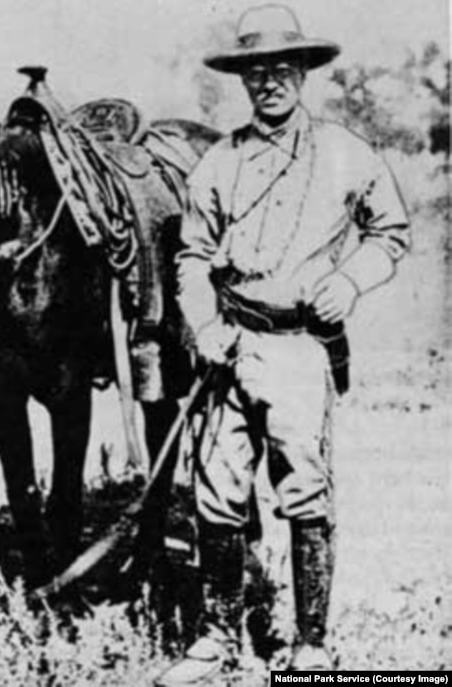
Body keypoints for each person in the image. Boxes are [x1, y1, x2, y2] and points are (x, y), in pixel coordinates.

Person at [155, 4, 410, 684]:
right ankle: (216, 638)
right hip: (230, 342)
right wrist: (204, 326)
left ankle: (312, 643)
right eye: (256, 73)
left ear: (302, 74)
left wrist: (351, 281)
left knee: (305, 490)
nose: (269, 83)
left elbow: (390, 231)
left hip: (299, 347)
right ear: (242, 82)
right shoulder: (217, 161)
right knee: (216, 491)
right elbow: (191, 256)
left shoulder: (346, 153)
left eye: (282, 70)